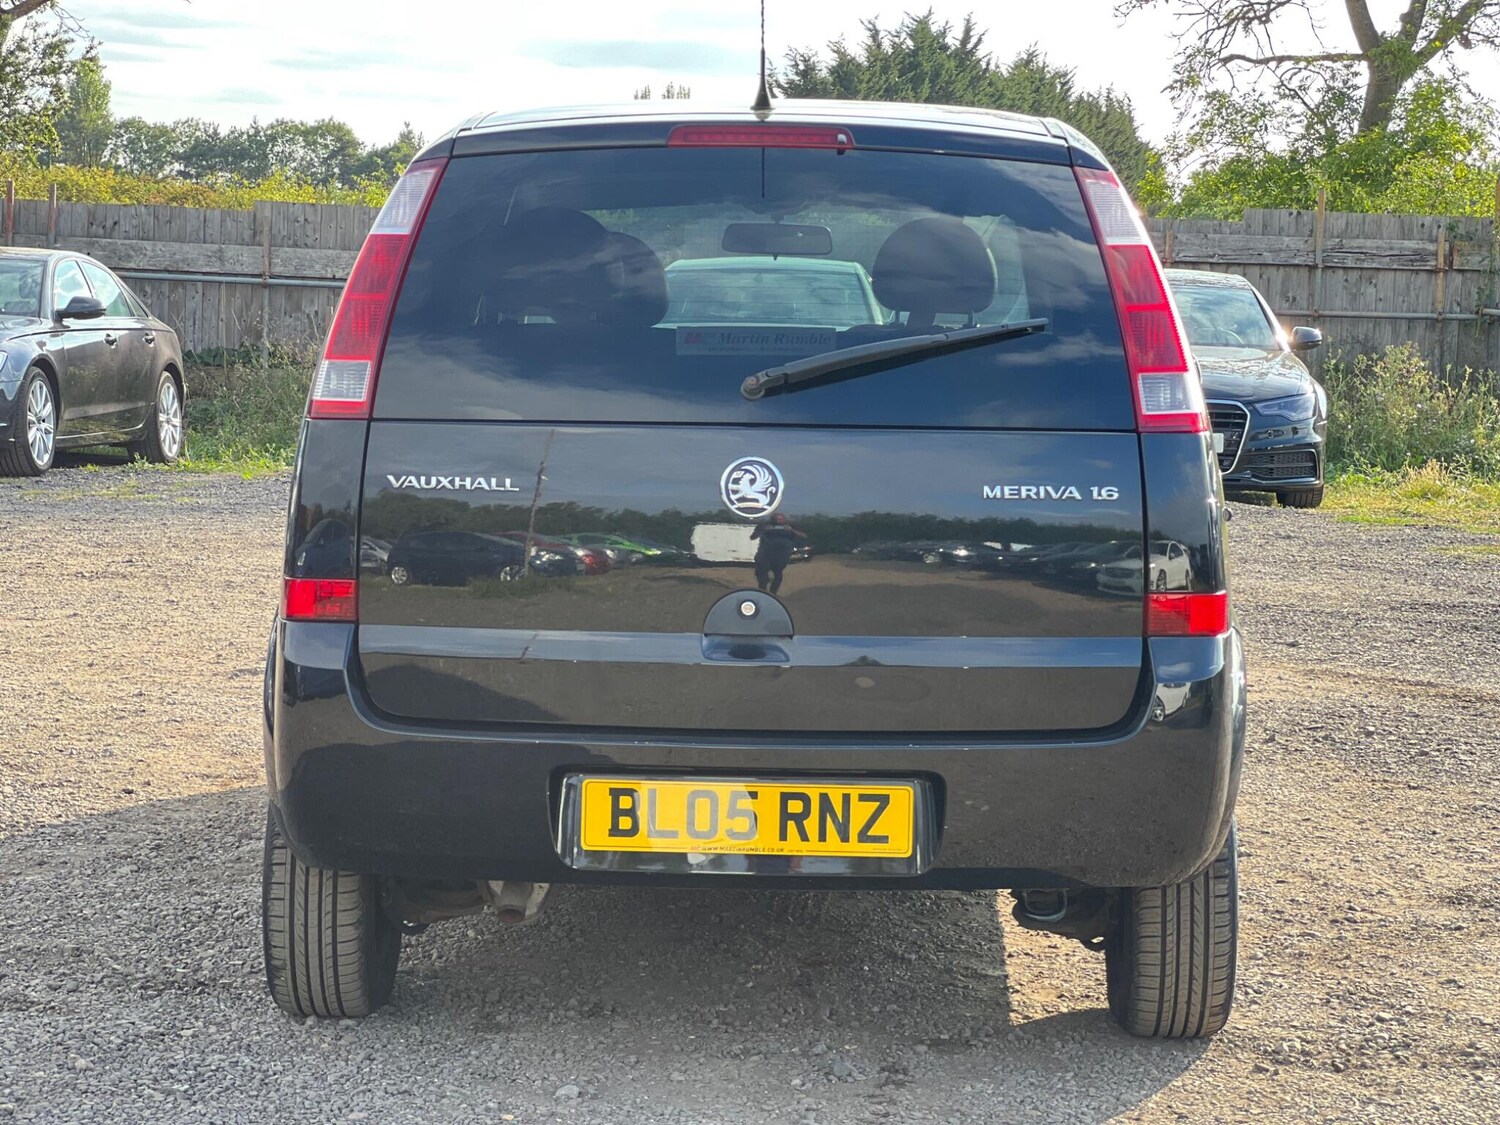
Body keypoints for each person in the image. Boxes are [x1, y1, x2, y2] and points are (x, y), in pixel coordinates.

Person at [749, 513, 805, 595]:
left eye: (781, 519)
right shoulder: (764, 525)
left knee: (778, 574)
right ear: (772, 519)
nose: (779, 521)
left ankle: (773, 593)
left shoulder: (792, 525)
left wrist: (791, 530)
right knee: (762, 574)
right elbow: (752, 537)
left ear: (785, 519)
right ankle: (763, 592)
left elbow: (804, 536)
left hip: (782, 555)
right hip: (765, 553)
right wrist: (763, 530)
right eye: (777, 519)